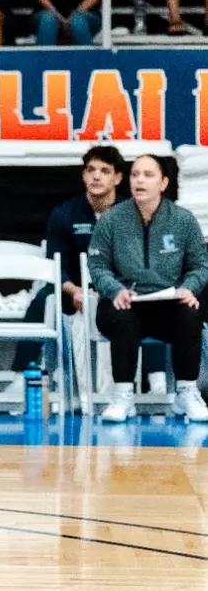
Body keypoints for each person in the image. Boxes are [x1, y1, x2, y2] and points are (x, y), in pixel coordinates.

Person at [89, 154, 208, 423]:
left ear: (164, 183)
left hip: (165, 302)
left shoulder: (183, 220)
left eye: (148, 175)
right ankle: (122, 396)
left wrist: (189, 288)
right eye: (135, 174)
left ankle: (186, 393)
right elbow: (97, 266)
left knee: (190, 313)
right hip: (124, 300)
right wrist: (114, 289)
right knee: (122, 316)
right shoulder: (111, 219)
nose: (139, 180)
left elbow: (200, 266)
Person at [13, 145, 124, 379]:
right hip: (72, 289)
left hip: (116, 290)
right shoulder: (64, 214)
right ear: (83, 175)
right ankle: (21, 376)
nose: (96, 176)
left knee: (147, 304)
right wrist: (74, 290)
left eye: (104, 170)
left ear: (117, 178)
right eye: (91, 170)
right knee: (42, 301)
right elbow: (55, 264)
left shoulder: (130, 214)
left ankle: (155, 384)